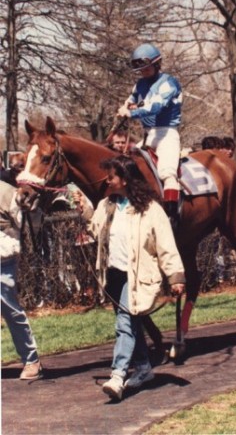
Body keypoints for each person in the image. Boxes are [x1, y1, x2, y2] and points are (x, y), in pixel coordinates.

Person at [74, 155, 185, 401]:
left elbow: (166, 245)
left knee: (124, 323)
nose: (107, 180)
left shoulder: (150, 209)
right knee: (131, 324)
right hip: (113, 274)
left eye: (111, 176)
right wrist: (84, 211)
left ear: (124, 179)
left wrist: (176, 277)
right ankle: (144, 368)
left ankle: (118, 374)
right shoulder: (106, 205)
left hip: (137, 277)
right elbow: (96, 229)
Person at [117, 43, 182, 223]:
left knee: (167, 173)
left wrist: (132, 113)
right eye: (140, 69)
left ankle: (172, 216)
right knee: (125, 168)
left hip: (166, 134)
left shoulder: (169, 82)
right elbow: (130, 100)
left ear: (156, 64)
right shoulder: (139, 84)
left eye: (146, 68)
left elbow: (155, 107)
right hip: (147, 135)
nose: (143, 72)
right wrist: (125, 106)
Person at [0, 180, 43, 380]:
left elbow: (27, 222)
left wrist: (30, 208)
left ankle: (30, 358)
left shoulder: (7, 192)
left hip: (3, 256)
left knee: (9, 308)